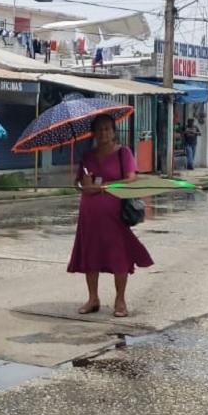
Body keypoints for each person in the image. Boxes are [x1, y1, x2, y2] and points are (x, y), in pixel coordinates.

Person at [68, 114, 153, 318]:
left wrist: (107, 185)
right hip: (89, 215)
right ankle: (93, 298)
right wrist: (84, 183)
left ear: (114, 132)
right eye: (99, 129)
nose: (103, 133)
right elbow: (78, 184)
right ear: (94, 133)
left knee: (119, 257)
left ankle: (120, 300)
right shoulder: (87, 156)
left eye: (107, 129)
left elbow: (132, 179)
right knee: (90, 256)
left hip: (114, 216)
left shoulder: (123, 153)